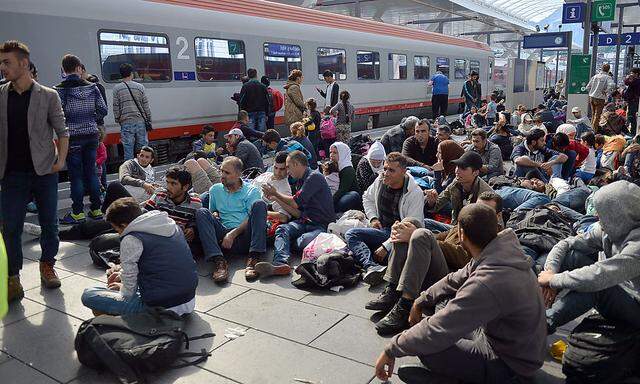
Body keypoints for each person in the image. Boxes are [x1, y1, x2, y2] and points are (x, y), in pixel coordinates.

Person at [376, 203, 546, 384]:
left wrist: (391, 349)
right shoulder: (499, 251)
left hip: (510, 365)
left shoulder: (487, 281)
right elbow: (454, 279)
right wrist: (421, 300)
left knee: (427, 343)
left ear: (462, 234)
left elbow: (438, 328)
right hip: (508, 341)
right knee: (443, 304)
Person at [368, 192, 504, 336]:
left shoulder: (493, 237)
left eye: (486, 212)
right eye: (477, 208)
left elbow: (467, 260)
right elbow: (440, 238)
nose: (478, 214)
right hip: (436, 269)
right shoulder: (469, 222)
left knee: (420, 234)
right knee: (411, 222)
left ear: (498, 216)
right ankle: (393, 288)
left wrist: (419, 235)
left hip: (450, 284)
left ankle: (405, 305)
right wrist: (407, 232)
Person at [1, 40, 69, 301]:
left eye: (7, 62)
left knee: (50, 224)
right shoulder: (1, 95)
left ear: (24, 64)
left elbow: (62, 132)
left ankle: (47, 265)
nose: (2, 67)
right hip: (11, 174)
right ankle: (12, 277)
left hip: (44, 172)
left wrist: (60, 161)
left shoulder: (49, 96)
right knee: (11, 227)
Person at [539, 180, 640, 334]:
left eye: (602, 211)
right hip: (616, 290)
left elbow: (599, 276)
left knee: (596, 286)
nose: (596, 215)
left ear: (618, 213)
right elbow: (565, 244)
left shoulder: (637, 245)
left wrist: (553, 280)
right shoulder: (607, 229)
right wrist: (550, 273)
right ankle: (532, 302)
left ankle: (538, 325)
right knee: (571, 257)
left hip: (635, 308)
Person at [81, 198, 197, 316]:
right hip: (188, 301)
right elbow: (160, 266)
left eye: (117, 230)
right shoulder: (172, 226)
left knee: (89, 295)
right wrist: (122, 276)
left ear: (124, 225)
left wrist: (122, 288)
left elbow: (128, 289)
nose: (119, 234)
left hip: (162, 307)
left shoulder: (132, 239)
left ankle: (134, 322)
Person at [347, 152, 424, 286]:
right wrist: (373, 218)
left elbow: (408, 226)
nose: (386, 173)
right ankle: (371, 266)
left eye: (391, 170)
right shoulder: (380, 180)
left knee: (397, 255)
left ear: (403, 172)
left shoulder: (414, 193)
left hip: (401, 238)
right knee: (351, 235)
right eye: (385, 168)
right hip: (383, 230)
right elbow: (367, 198)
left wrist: (386, 246)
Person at [256, 151, 335, 277]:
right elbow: (298, 213)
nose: (287, 171)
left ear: (297, 164)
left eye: (288, 167)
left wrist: (276, 193)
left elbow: (295, 202)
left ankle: (284, 250)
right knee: (282, 229)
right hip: (304, 222)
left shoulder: (314, 177)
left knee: (298, 243)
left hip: (320, 226)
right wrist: (276, 199)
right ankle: (280, 263)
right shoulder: (300, 180)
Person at [195, 156, 268, 283]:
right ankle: (219, 262)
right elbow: (212, 212)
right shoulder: (215, 189)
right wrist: (215, 215)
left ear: (238, 174)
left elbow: (252, 218)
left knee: (259, 205)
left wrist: (232, 234)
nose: (222, 175)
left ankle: (253, 259)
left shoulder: (251, 191)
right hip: (224, 238)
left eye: (227, 173)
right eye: (221, 171)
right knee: (202, 212)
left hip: (245, 236)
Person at [55, 54, 107, 224]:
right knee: (91, 172)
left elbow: (57, 114)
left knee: (76, 176)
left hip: (73, 137)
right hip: (92, 135)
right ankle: (96, 209)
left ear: (63, 70)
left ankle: (78, 213)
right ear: (79, 68)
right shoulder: (93, 87)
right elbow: (103, 110)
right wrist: (91, 118)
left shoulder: (59, 90)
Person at [424, 151, 493, 230]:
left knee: (426, 223)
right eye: (457, 166)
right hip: (456, 225)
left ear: (475, 172)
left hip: (469, 232)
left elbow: (482, 228)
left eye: (463, 168)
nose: (457, 171)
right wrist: (431, 202)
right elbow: (439, 203)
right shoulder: (456, 183)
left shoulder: (485, 195)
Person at [112, 63, 152, 160]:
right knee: (143, 149)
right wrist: (148, 118)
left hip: (126, 123)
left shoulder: (117, 89)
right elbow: (146, 105)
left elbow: (116, 107)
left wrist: (118, 119)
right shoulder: (140, 87)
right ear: (131, 73)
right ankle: (143, 169)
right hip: (140, 122)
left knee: (128, 149)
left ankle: (129, 171)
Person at [102, 146, 159, 212]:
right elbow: (123, 178)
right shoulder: (129, 164)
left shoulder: (151, 170)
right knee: (114, 185)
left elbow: (149, 184)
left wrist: (153, 185)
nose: (143, 159)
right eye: (142, 156)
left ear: (151, 160)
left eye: (147, 157)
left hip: (143, 201)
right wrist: (143, 184)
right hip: (128, 197)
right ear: (138, 156)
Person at [252, 151, 292, 223]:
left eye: (282, 169)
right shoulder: (266, 174)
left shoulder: (285, 189)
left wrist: (259, 212)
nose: (277, 172)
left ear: (288, 169)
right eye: (275, 168)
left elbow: (284, 217)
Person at [329, 142, 360, 212]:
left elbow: (342, 190)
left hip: (347, 196)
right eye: (330, 152)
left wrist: (329, 203)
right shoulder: (332, 166)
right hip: (335, 195)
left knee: (353, 195)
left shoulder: (348, 169)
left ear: (342, 154)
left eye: (335, 153)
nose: (331, 155)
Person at [239, 68, 270, 133]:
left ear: (248, 75)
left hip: (249, 113)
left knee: (251, 132)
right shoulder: (263, 86)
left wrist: (242, 114)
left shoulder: (245, 86)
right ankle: (260, 143)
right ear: (256, 75)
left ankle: (253, 143)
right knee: (261, 133)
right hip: (261, 112)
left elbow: (241, 101)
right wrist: (267, 113)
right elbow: (267, 101)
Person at [586, 63, 616, 129]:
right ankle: (594, 131)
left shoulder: (595, 76)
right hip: (600, 98)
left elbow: (587, 87)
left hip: (592, 97)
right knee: (597, 115)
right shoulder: (608, 77)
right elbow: (612, 85)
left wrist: (592, 91)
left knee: (593, 114)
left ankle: (591, 128)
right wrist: (606, 91)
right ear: (608, 70)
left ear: (602, 68)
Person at [623, 67, 640, 135]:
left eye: (632, 73)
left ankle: (633, 132)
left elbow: (626, 82)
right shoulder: (636, 80)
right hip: (633, 101)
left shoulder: (637, 81)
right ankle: (634, 131)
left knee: (632, 117)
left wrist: (628, 77)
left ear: (637, 74)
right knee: (632, 116)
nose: (631, 74)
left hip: (634, 101)